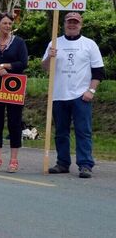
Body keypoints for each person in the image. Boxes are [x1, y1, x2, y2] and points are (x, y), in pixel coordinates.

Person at [43, 12, 105, 179]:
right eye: (69, 22)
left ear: (80, 24)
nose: (72, 25)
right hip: (59, 95)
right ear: (64, 23)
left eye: (75, 22)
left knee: (83, 131)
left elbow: (99, 71)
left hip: (80, 95)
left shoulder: (89, 44)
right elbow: (46, 68)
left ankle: (85, 164)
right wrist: (50, 56)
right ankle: (62, 163)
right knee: (61, 132)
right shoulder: (55, 43)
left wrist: (91, 90)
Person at [0, 13, 28, 173]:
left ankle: (14, 160)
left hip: (14, 88)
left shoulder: (19, 42)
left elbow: (23, 63)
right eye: (4, 23)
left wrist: (5, 66)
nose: (8, 26)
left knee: (14, 123)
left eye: (10, 23)